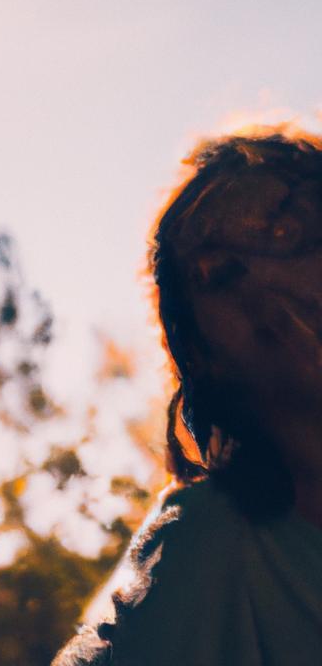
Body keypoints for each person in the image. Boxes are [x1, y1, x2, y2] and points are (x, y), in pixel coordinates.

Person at [53, 129, 322, 665]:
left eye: (286, 231)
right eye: (221, 274)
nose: (264, 279)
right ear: (202, 356)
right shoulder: (207, 548)